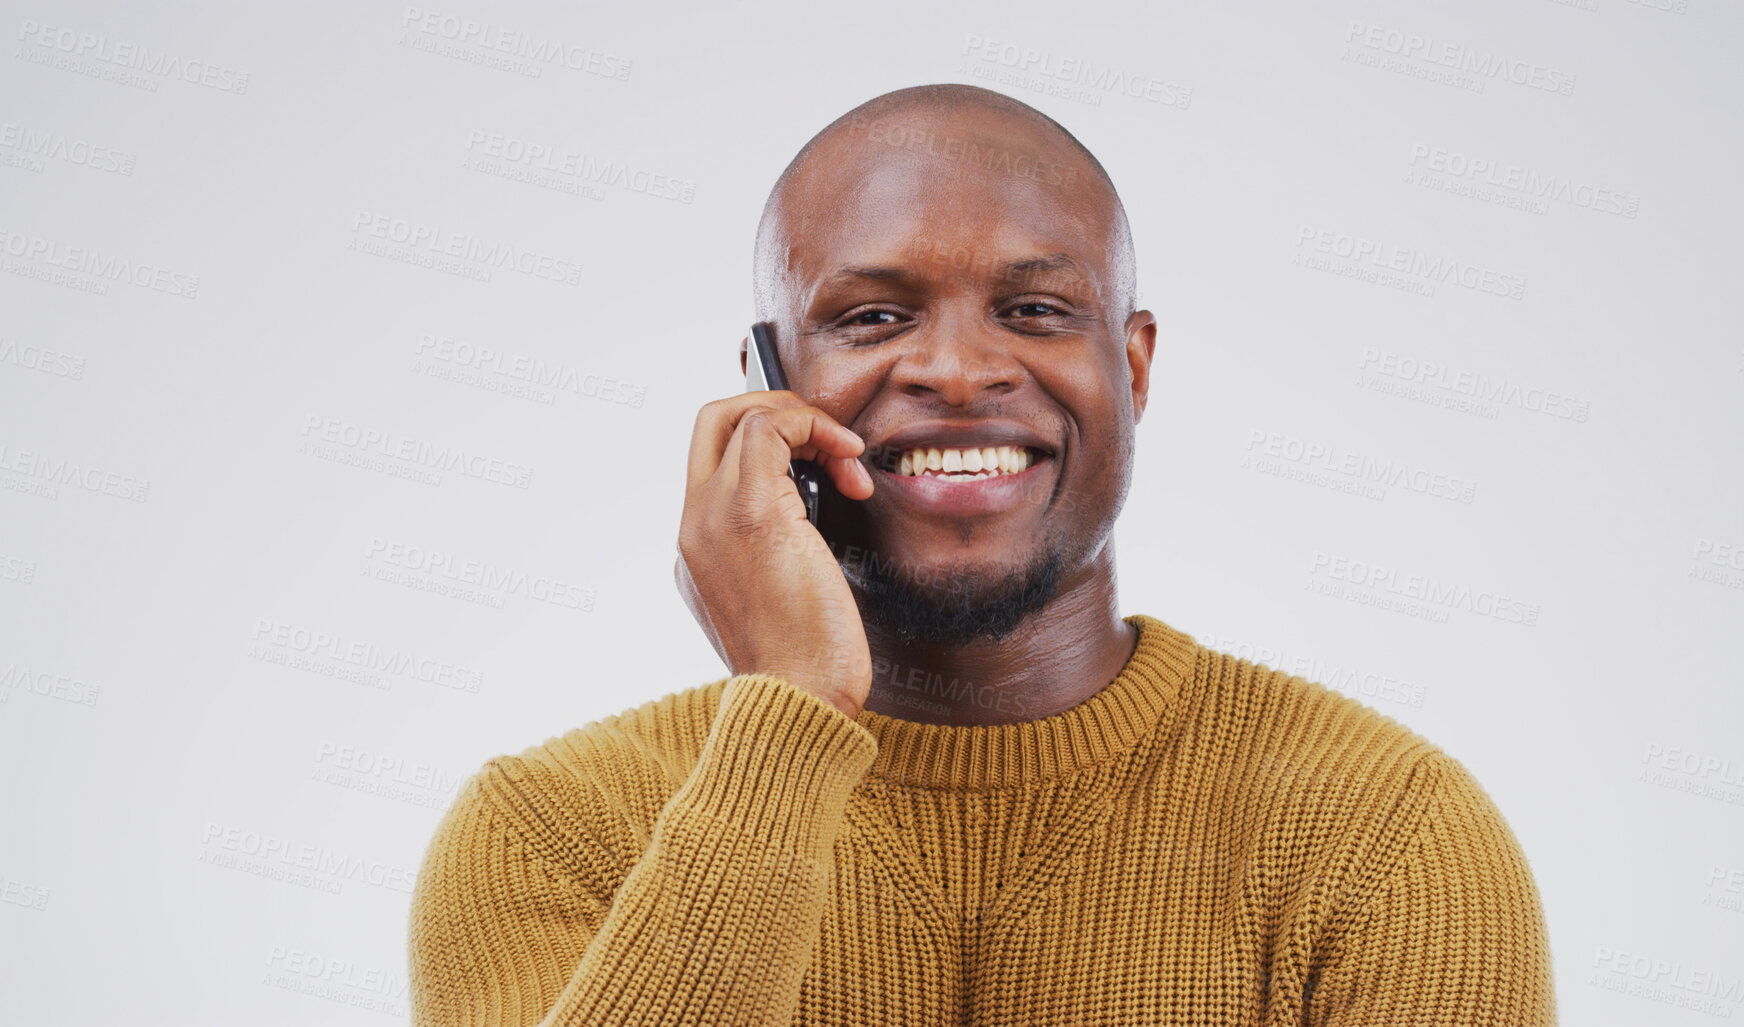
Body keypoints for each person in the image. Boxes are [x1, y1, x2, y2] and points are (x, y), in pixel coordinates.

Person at [407, 82, 1558, 1026]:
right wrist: (789, 715)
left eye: (1036, 310)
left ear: (1134, 367)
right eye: (872, 317)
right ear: (767, 383)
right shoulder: (548, 833)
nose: (958, 373)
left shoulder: (1388, 831)